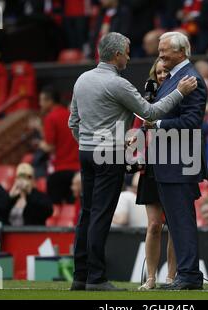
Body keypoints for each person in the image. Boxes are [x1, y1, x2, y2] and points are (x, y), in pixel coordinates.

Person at [68, 32, 198, 291]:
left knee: (86, 213)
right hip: (109, 154)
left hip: (86, 152)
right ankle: (96, 278)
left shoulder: (82, 79)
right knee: (101, 215)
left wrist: (88, 142)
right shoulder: (119, 84)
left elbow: (73, 121)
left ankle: (80, 276)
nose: (129, 55)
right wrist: (180, 92)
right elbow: (149, 113)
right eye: (127, 51)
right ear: (117, 55)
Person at [148, 31, 208, 290]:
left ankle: (189, 276)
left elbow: (192, 123)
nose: (160, 55)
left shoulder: (190, 79)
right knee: (176, 221)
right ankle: (187, 274)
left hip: (180, 163)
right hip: (170, 162)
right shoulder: (174, 79)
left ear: (182, 52)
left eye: (165, 51)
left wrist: (158, 123)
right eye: (160, 50)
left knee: (181, 221)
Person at [134, 58, 177, 290]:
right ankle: (151, 278)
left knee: (174, 224)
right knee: (153, 225)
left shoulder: (180, 96)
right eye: (159, 72)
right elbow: (137, 129)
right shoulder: (145, 101)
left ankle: (171, 277)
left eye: (166, 71)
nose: (162, 76)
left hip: (175, 163)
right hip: (151, 166)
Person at [38, 87, 80, 205]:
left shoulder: (51, 118)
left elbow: (50, 147)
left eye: (42, 100)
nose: (39, 104)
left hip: (60, 171)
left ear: (50, 101)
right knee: (73, 208)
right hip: (76, 170)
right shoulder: (71, 116)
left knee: (55, 210)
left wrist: (40, 144)